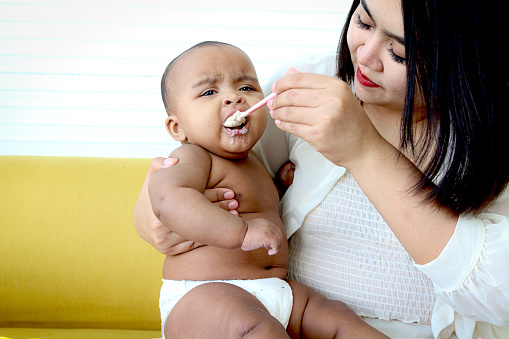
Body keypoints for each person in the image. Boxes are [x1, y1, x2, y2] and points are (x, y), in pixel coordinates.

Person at [134, 0, 509, 337]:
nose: (364, 57)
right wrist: (149, 215)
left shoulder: (490, 136)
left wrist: (363, 151)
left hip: (295, 303)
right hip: (222, 297)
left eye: (398, 53)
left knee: (337, 319)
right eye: (363, 22)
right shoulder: (307, 82)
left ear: (464, 58)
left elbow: (497, 293)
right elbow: (195, 172)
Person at [149, 40, 387, 339]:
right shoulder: (192, 157)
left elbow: (257, 202)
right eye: (209, 92)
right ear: (177, 127)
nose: (233, 99)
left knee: (338, 317)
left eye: (246, 88)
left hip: (277, 291)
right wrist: (241, 232)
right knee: (256, 330)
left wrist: (283, 182)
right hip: (206, 295)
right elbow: (167, 199)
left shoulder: (255, 162)